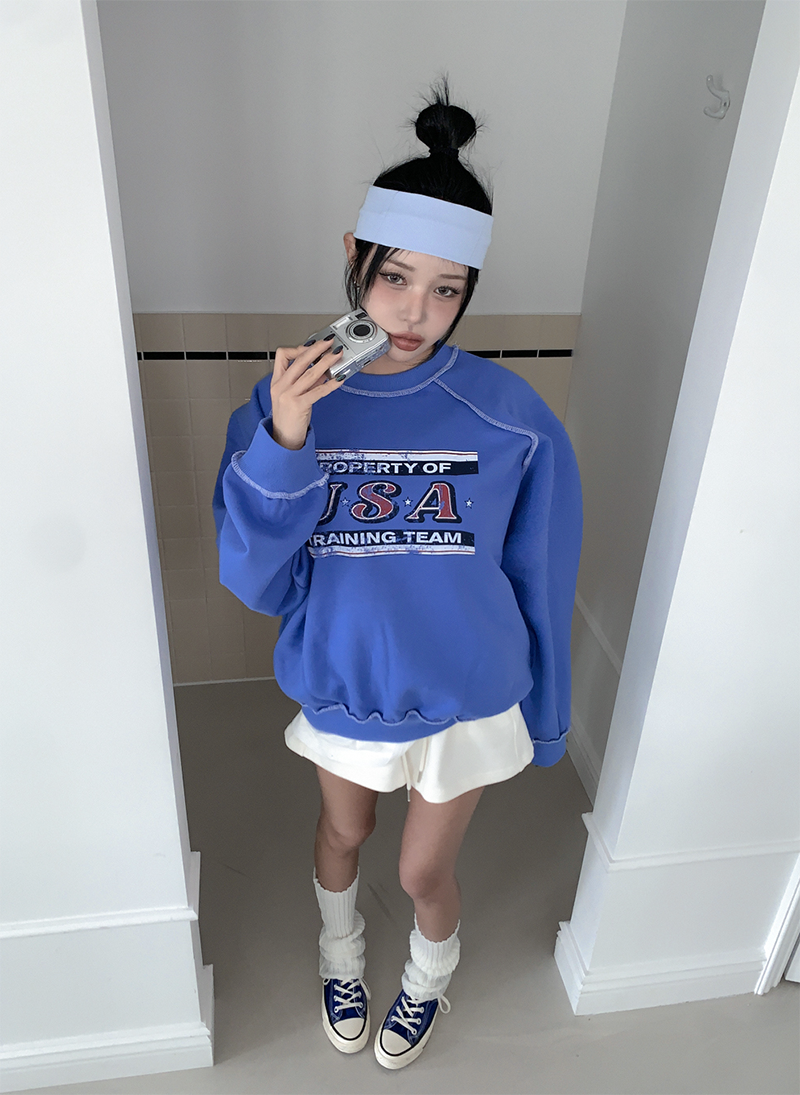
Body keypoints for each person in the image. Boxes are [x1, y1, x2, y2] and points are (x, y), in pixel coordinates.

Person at [213, 82, 582, 1070]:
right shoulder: (288, 401)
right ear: (354, 257)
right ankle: (339, 952)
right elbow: (255, 581)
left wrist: (548, 716)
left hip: (468, 689)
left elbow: (540, 574)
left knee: (423, 872)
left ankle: (427, 974)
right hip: (346, 680)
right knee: (343, 836)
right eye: (394, 278)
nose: (417, 311)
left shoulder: (510, 415)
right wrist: (286, 440)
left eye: (447, 289)